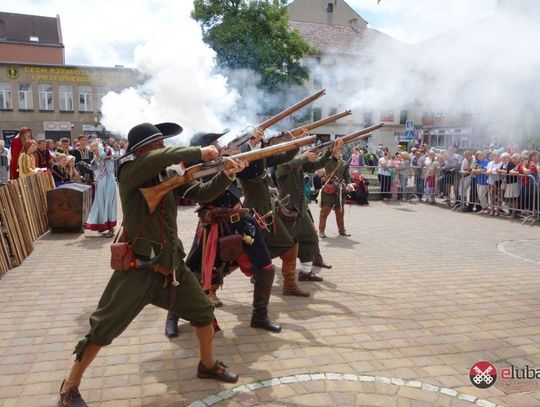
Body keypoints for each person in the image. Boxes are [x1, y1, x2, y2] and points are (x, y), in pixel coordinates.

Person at [58, 122, 245, 407]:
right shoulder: (130, 171)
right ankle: (69, 386)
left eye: (163, 144)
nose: (163, 148)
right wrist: (199, 151)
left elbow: (203, 192)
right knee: (103, 327)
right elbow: (160, 158)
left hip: (171, 266)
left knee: (204, 311)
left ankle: (207, 364)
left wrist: (228, 174)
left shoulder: (166, 174)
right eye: (158, 144)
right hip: (138, 268)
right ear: (144, 150)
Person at [165, 130, 280, 338]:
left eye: (218, 144)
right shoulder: (195, 170)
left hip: (241, 221)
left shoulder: (224, 161)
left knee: (265, 267)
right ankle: (173, 315)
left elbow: (253, 173)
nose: (219, 147)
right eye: (215, 144)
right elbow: (206, 192)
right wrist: (224, 168)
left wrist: (251, 146)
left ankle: (260, 316)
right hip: (214, 225)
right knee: (192, 273)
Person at [237, 129, 310, 297]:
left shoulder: (261, 158)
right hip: (255, 216)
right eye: (256, 141)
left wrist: (296, 142)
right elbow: (254, 171)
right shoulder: (246, 161)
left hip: (268, 214)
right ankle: (211, 288)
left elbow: (285, 157)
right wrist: (253, 145)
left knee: (290, 246)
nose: (259, 142)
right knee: (239, 255)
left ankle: (289, 285)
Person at [276, 139, 337, 282]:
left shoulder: (300, 163)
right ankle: (258, 270)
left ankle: (305, 272)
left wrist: (330, 150)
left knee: (311, 237)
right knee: (277, 244)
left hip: (300, 209)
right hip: (286, 210)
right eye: (296, 150)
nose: (298, 152)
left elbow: (319, 164)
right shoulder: (282, 164)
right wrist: (303, 157)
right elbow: (286, 166)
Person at [84, 140, 117, 237]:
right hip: (101, 181)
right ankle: (102, 225)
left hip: (109, 181)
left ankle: (111, 229)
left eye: (95, 149)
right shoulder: (97, 156)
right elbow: (94, 168)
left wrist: (99, 146)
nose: (94, 152)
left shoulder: (108, 150)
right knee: (100, 204)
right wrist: (85, 165)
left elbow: (106, 156)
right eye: (93, 150)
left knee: (109, 204)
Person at [318, 143, 351, 238]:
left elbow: (347, 176)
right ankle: (321, 231)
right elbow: (320, 170)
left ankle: (342, 230)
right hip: (329, 188)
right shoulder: (326, 161)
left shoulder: (344, 163)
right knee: (325, 211)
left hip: (340, 190)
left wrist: (349, 184)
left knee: (340, 211)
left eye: (339, 150)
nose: (338, 151)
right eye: (336, 150)